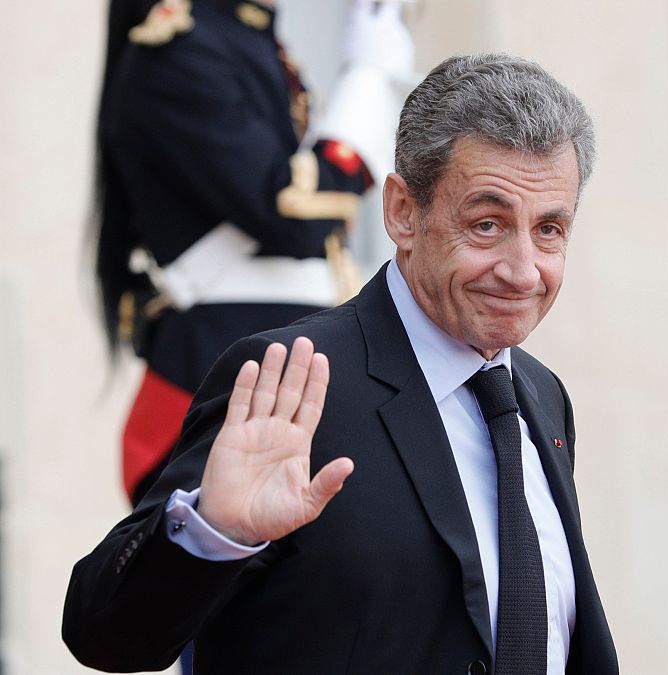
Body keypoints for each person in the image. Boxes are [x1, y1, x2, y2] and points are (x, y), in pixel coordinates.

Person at [64, 52, 619, 675]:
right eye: (487, 225)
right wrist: (215, 532)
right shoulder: (293, 378)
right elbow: (104, 634)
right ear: (403, 213)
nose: (523, 271)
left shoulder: (542, 396)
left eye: (549, 230)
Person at [94, 0, 413, 505]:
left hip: (296, 357)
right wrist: (368, 81)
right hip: (226, 374)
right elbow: (291, 212)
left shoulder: (248, 39)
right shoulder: (177, 53)